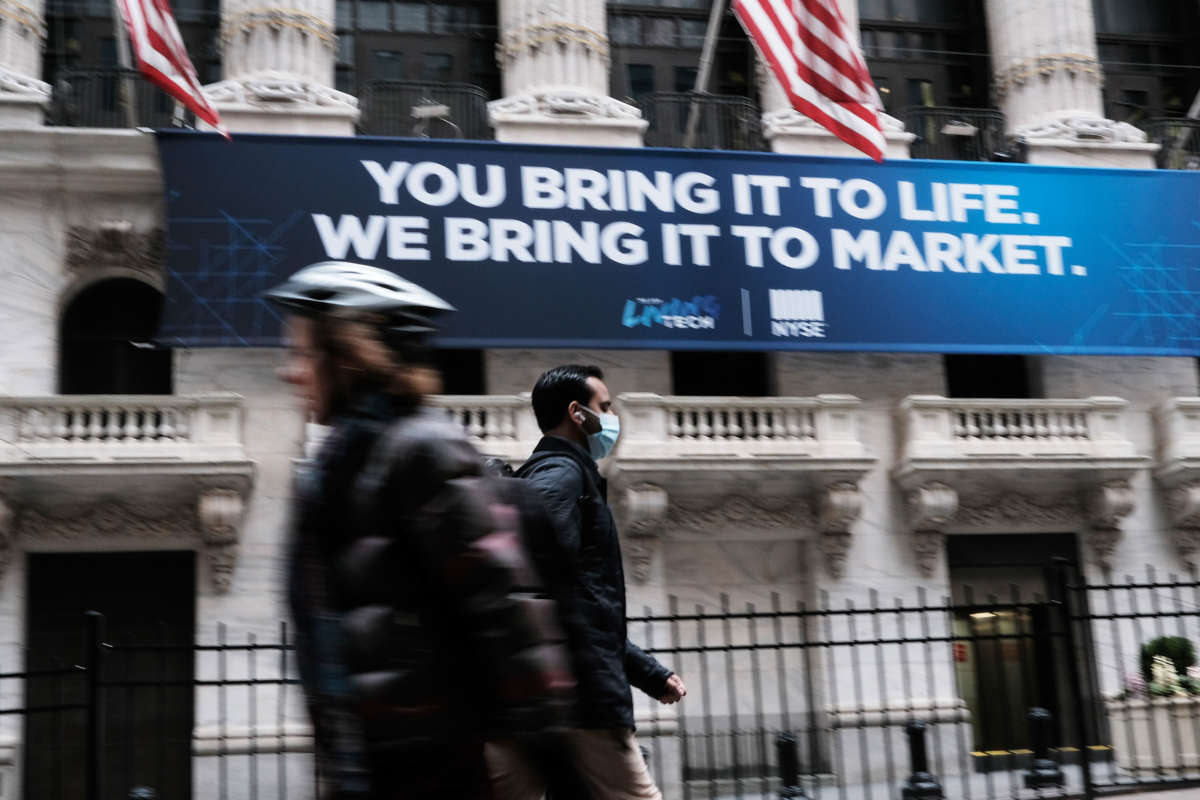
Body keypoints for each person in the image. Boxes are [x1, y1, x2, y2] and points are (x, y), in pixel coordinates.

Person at [267, 261, 574, 799]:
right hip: (364, 767)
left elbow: (506, 613)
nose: (288, 372)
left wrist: (554, 762)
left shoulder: (422, 449)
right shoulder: (339, 465)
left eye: (302, 352)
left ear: (349, 356)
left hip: (429, 769)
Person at [487, 365, 687, 800]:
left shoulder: (566, 476)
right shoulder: (561, 476)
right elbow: (542, 585)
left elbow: (577, 599)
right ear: (577, 414)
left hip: (544, 692)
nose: (612, 418)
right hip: (579, 699)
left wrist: (648, 673)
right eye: (605, 407)